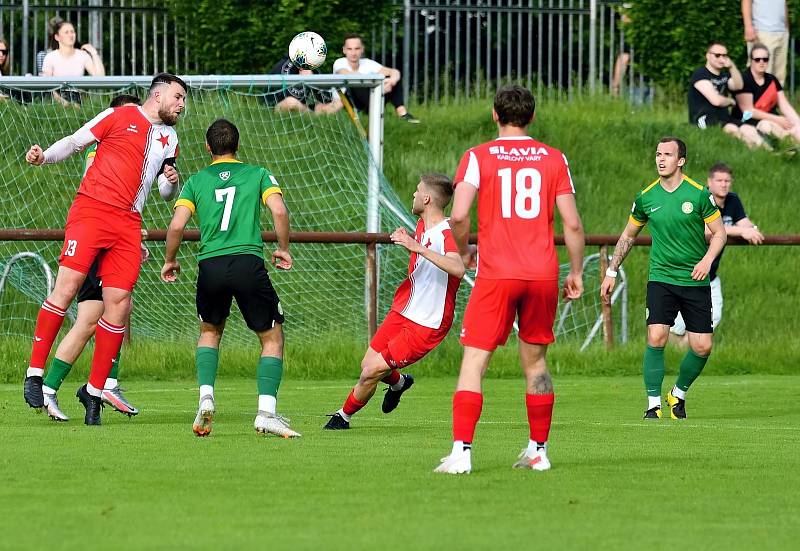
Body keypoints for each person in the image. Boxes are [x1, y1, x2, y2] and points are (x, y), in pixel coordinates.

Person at [433, 84, 585, 475]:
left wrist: (464, 249)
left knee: (474, 362)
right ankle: (539, 451)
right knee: (535, 364)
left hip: (497, 273)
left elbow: (461, 214)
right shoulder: (554, 158)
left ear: (494, 115)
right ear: (532, 117)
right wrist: (578, 270)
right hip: (541, 274)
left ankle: (462, 453)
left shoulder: (478, 157)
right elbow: (571, 222)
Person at [23, 73, 186, 425]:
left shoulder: (170, 137)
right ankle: (35, 373)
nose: (182, 104)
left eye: (183, 99)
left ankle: (95, 390)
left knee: (119, 305)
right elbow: (75, 141)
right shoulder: (119, 115)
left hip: (129, 224)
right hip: (92, 211)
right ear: (157, 95)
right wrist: (44, 157)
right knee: (65, 289)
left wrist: (170, 183)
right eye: (177, 96)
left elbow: (164, 191)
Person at [160, 118, 300, 439]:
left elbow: (177, 226)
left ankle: (206, 396)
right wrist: (283, 249)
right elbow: (279, 211)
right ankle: (266, 413)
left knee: (209, 331)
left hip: (210, 265)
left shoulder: (195, 181)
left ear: (208, 147)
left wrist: (170, 260)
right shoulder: (257, 174)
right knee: (272, 336)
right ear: (238, 145)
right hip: (246, 261)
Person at [323, 174, 464, 430]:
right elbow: (424, 251)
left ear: (427, 198)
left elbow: (458, 267)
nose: (413, 194)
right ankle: (399, 383)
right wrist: (409, 241)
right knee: (367, 365)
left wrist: (417, 247)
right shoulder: (422, 225)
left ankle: (341, 418)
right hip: (404, 309)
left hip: (427, 322)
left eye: (417, 190)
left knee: (370, 373)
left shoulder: (446, 232)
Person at [600, 138, 727, 421]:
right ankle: (653, 405)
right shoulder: (646, 197)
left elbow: (720, 233)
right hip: (661, 278)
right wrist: (611, 271)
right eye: (658, 154)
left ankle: (677, 394)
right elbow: (627, 236)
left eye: (667, 155)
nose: (661, 159)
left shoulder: (698, 195)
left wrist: (707, 260)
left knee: (702, 346)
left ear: (680, 161)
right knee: (656, 337)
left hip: (694, 280)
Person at [670, 163, 763, 347]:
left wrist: (752, 230)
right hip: (687, 272)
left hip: (710, 275)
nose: (724, 184)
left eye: (727, 180)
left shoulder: (732, 201)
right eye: (719, 180)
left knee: (711, 318)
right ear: (709, 183)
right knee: (678, 324)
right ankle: (670, 356)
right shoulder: (701, 199)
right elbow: (707, 230)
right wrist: (740, 231)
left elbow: (744, 223)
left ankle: (679, 356)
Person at [688, 42, 763, 148]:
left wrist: (732, 67)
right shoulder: (700, 74)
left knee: (749, 128)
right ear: (708, 56)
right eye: (717, 55)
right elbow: (716, 101)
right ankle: (751, 151)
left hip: (724, 117)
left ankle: (771, 153)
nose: (721, 58)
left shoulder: (724, 76)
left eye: (724, 55)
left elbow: (738, 85)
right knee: (732, 129)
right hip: (705, 118)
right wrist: (731, 101)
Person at [333, 33, 419, 123]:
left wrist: (391, 82)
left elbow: (394, 72)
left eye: (357, 48)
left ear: (362, 49)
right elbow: (349, 75)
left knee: (390, 78)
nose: (353, 53)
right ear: (344, 50)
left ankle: (403, 114)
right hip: (347, 101)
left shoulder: (367, 63)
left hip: (370, 97)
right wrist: (382, 88)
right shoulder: (340, 62)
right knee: (356, 83)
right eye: (350, 49)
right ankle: (374, 112)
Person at [733, 44, 800, 145]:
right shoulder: (744, 80)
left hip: (774, 119)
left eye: (765, 59)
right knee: (766, 125)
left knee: (796, 127)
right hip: (751, 122)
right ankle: (789, 144)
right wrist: (777, 119)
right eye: (757, 59)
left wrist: (797, 122)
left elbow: (785, 106)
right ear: (751, 60)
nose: (761, 62)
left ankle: (792, 142)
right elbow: (749, 111)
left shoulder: (772, 79)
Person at [40, 19, 105, 105]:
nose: (71, 35)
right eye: (66, 32)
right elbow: (47, 87)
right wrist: (63, 103)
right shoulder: (50, 57)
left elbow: (100, 78)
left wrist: (94, 53)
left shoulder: (83, 55)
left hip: (77, 102)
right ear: (57, 37)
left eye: (72, 32)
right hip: (55, 103)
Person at [265, 55, 341, 114]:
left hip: (303, 108)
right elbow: (286, 97)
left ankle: (313, 114)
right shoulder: (283, 66)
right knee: (291, 102)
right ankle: (314, 115)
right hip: (279, 106)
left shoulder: (312, 68)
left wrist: (312, 81)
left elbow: (326, 99)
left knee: (338, 103)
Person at [742, 0, 790, 86]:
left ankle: (776, 99)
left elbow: (783, 3)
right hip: (762, 32)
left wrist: (786, 29)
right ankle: (754, 99)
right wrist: (748, 26)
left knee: (779, 77)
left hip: (781, 33)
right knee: (759, 74)